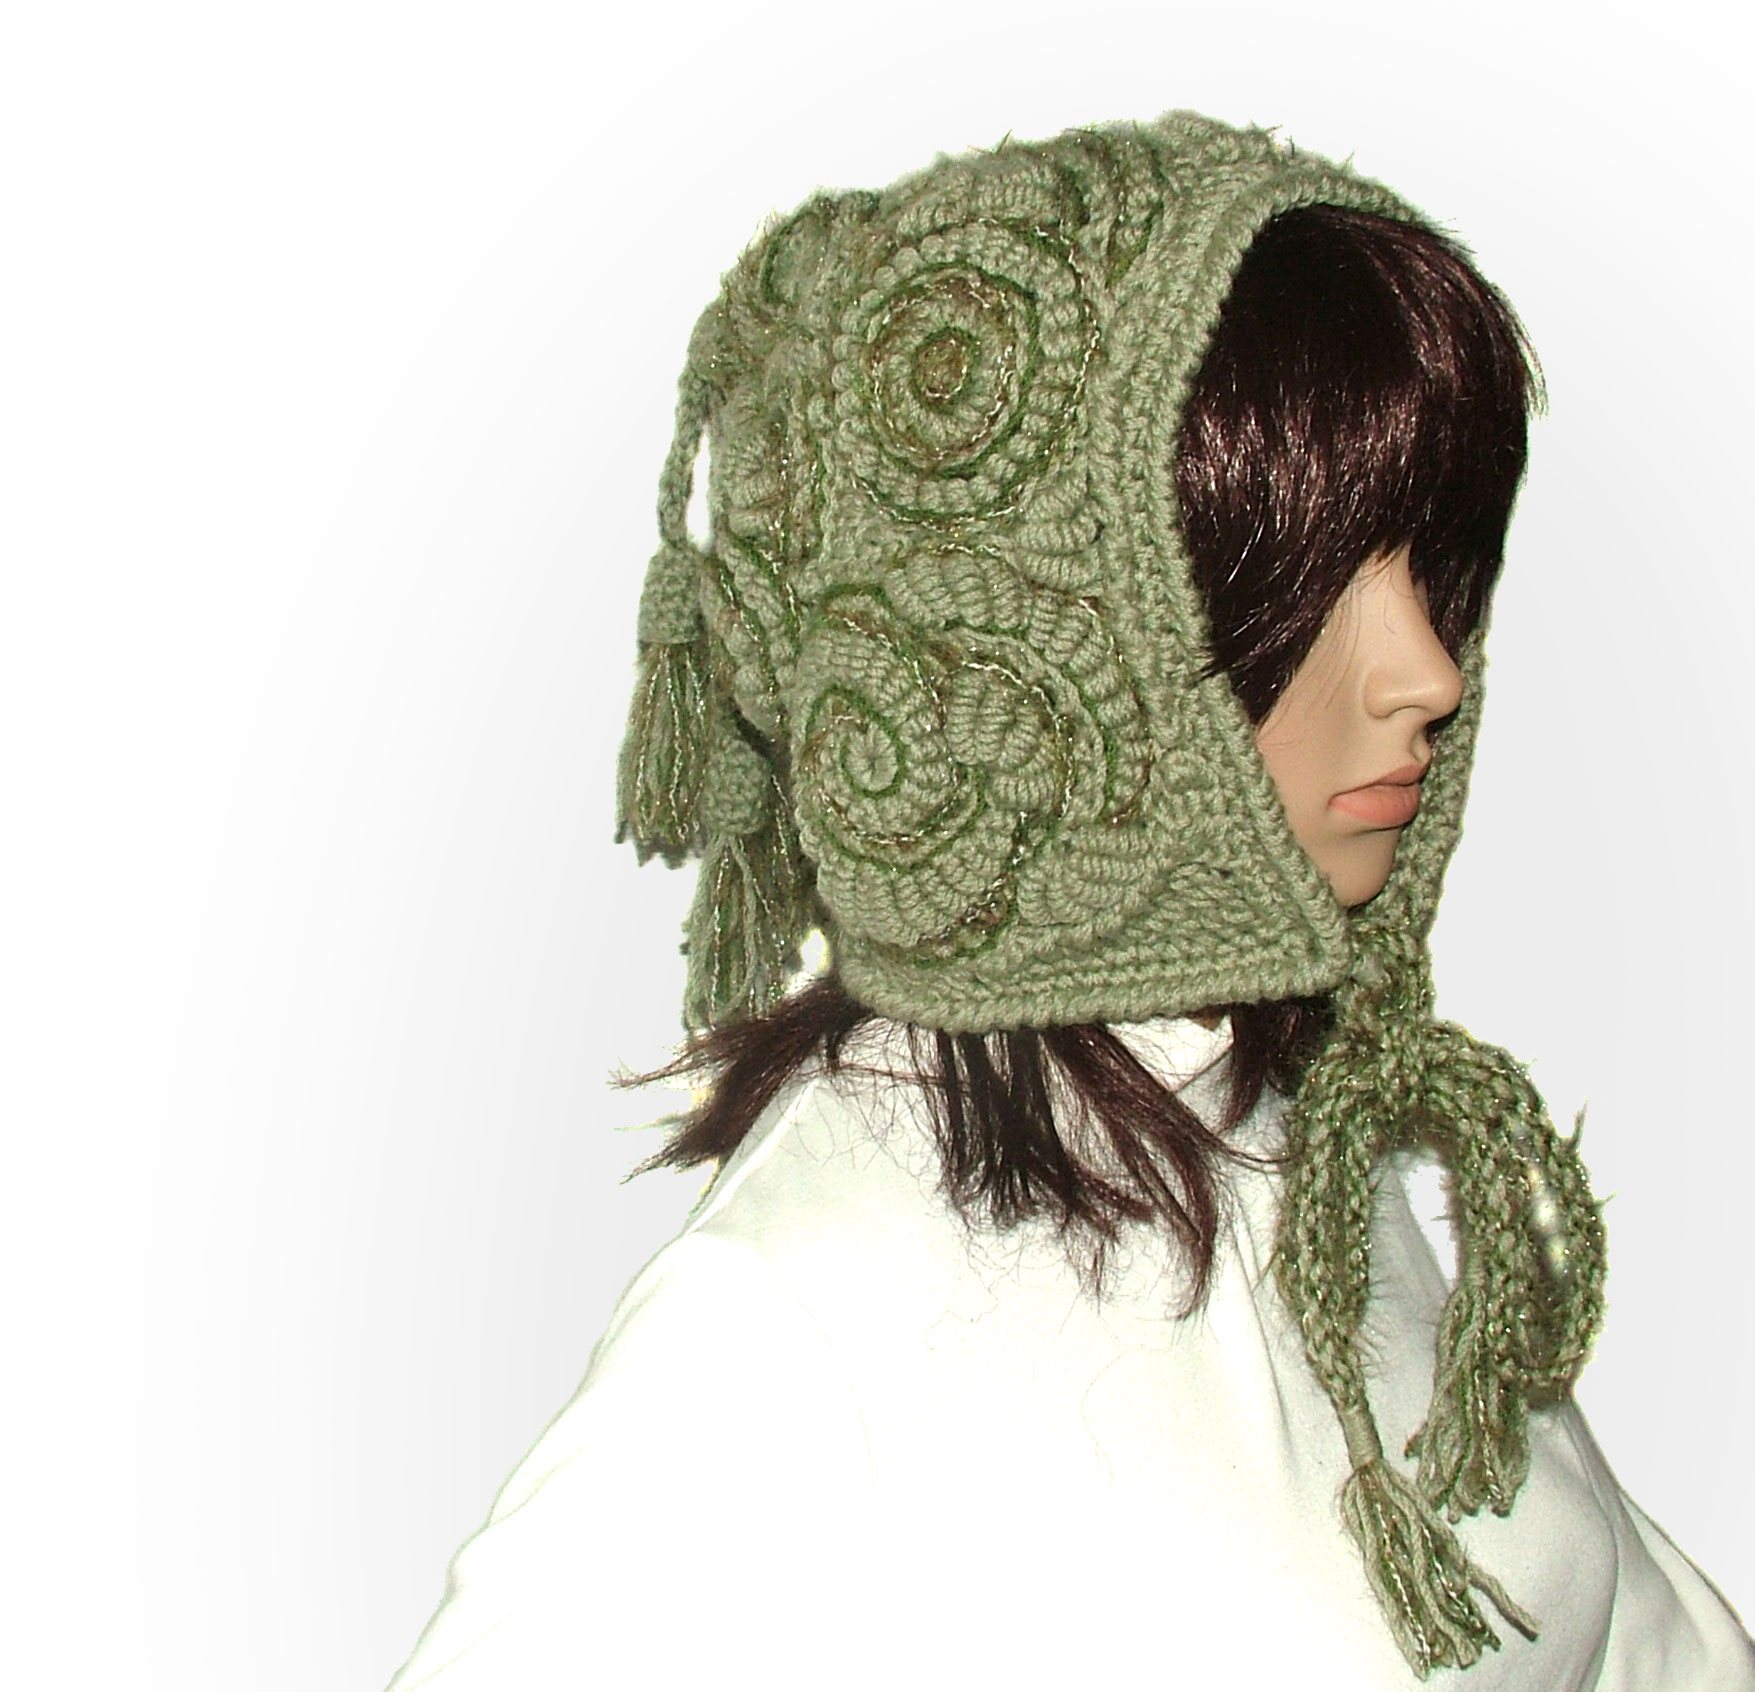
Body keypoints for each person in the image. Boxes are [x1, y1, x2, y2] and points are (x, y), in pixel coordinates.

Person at [384, 112, 1755, 1689]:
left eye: (1427, 561)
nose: (1427, 671)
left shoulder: (1309, 1148)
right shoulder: (798, 1322)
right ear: (1063, 628)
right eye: (1313, 580)